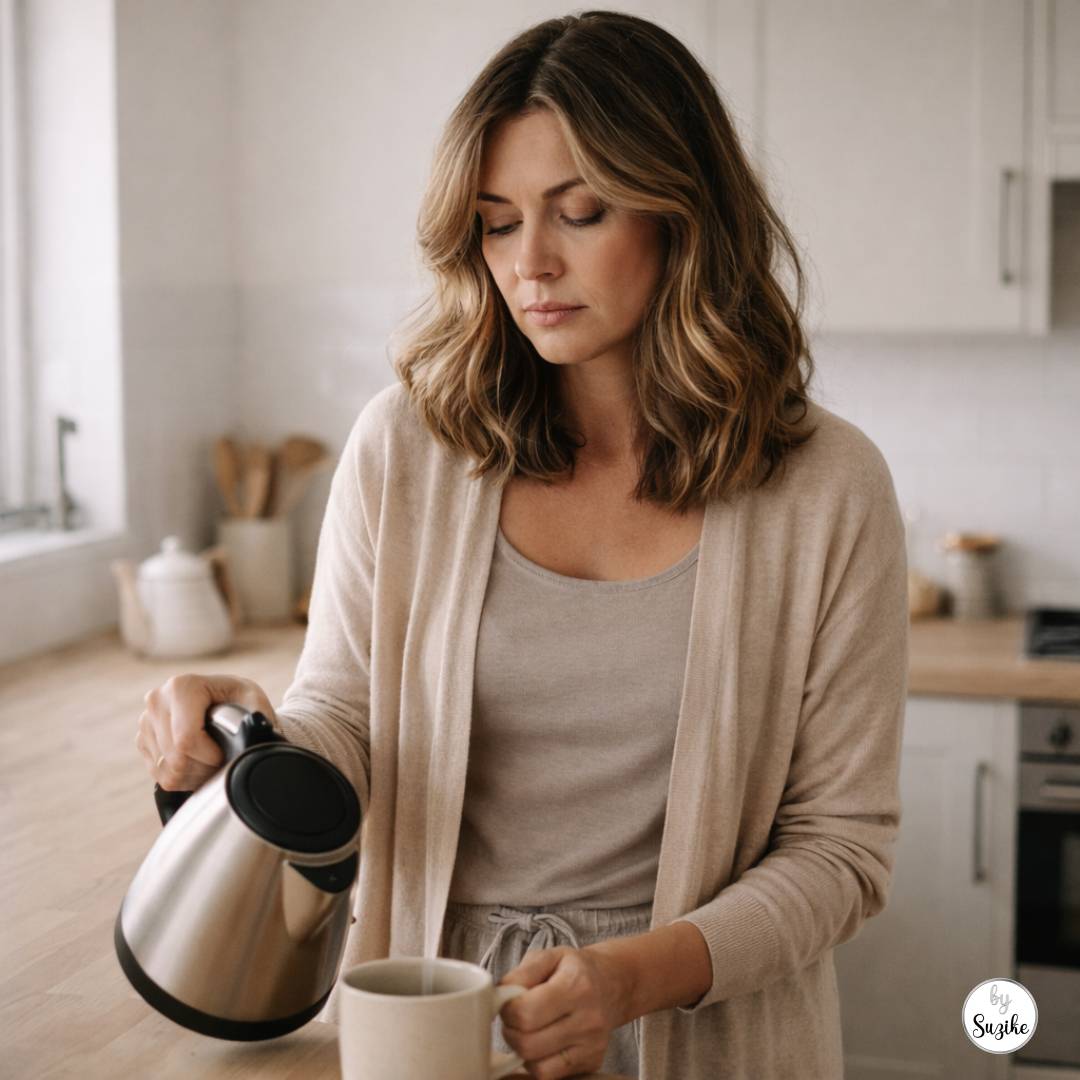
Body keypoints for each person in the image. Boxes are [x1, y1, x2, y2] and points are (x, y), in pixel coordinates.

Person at [135, 12, 909, 1080]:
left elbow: (840, 851)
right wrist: (256, 741)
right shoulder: (403, 449)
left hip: (705, 1030)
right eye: (497, 224)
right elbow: (351, 718)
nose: (531, 263)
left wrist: (629, 978)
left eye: (580, 212)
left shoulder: (828, 489)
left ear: (686, 217)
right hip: (431, 1023)